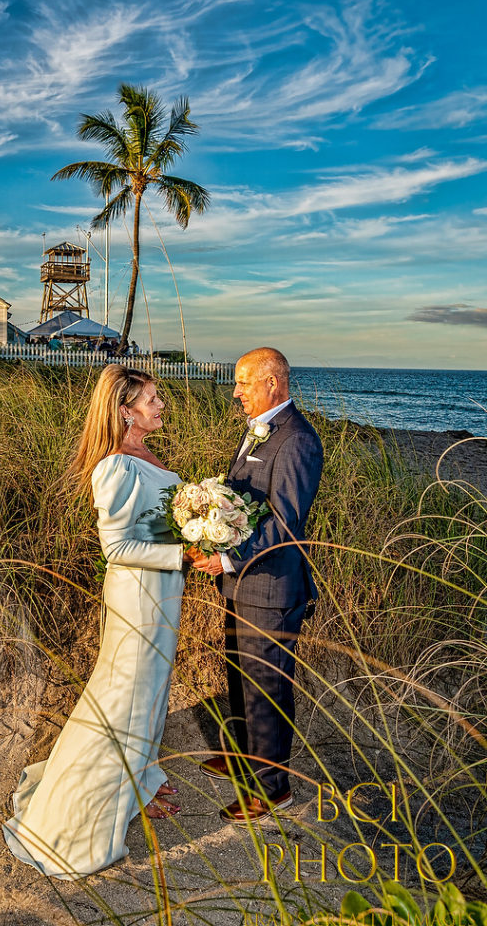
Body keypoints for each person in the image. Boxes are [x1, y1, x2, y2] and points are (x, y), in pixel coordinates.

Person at [3, 365, 194, 878]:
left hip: (162, 592)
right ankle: (76, 818)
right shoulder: (114, 467)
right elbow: (118, 548)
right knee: (122, 698)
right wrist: (183, 557)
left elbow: (152, 528)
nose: (160, 406)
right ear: (124, 410)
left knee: (150, 694)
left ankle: (139, 782)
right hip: (138, 595)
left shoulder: (144, 456)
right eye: (151, 399)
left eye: (158, 397)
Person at [193, 347, 323, 823]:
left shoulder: (298, 440)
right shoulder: (258, 430)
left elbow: (286, 522)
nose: (236, 392)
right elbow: (243, 499)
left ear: (272, 383)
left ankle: (273, 789)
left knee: (266, 684)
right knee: (236, 673)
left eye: (243, 383)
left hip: (270, 585)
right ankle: (242, 755)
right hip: (241, 583)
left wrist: (225, 556)